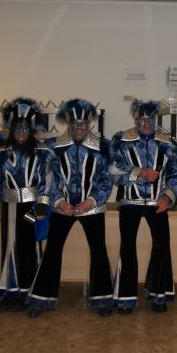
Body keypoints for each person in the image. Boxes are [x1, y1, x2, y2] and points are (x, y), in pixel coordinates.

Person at [26, 99, 115, 318]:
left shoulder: (103, 147)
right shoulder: (52, 146)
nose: (79, 128)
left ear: (90, 124)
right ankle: (41, 298)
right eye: (75, 124)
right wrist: (58, 201)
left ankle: (102, 298)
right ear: (68, 123)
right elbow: (46, 179)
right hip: (61, 208)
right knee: (52, 250)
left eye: (83, 124)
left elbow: (106, 180)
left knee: (99, 250)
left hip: (91, 208)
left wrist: (91, 201)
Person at [109, 99, 177, 314]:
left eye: (150, 119)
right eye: (142, 119)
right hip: (129, 202)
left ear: (155, 120)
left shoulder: (167, 143)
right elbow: (113, 171)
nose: (147, 123)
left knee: (162, 245)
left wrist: (167, 198)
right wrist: (140, 173)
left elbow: (175, 177)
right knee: (127, 247)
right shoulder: (122, 140)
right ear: (135, 120)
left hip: (157, 203)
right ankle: (125, 298)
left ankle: (158, 295)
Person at [0, 98, 51, 312]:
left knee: (30, 247)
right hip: (9, 208)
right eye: (18, 127)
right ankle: (12, 292)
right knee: (10, 247)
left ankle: (33, 292)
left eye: (25, 127)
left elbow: (47, 181)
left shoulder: (42, 151)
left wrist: (42, 205)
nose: (21, 131)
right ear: (11, 128)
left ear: (31, 128)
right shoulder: (1, 152)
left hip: (32, 208)